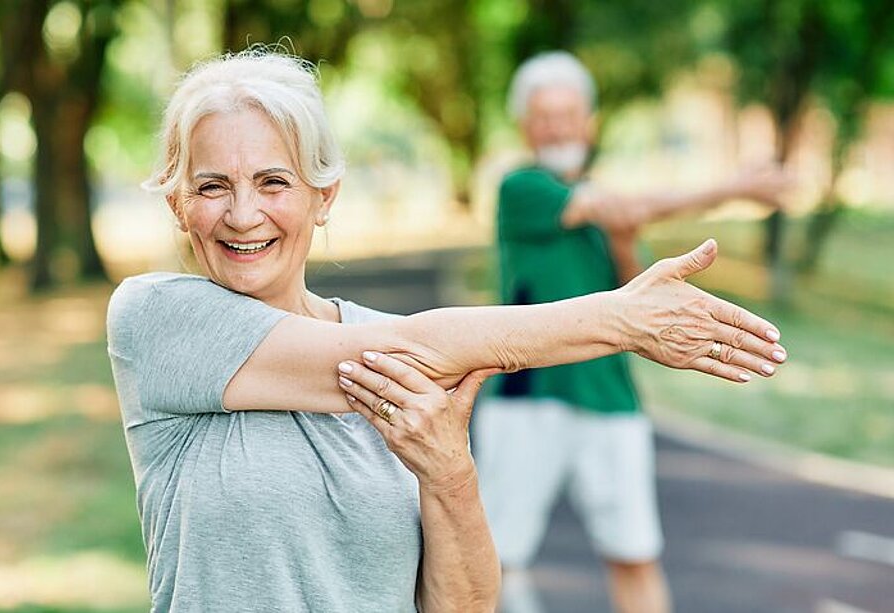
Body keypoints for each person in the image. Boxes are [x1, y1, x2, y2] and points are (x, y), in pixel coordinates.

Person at [105, 48, 787, 613]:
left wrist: (452, 474)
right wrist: (619, 319)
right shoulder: (156, 318)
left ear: (324, 196)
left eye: (274, 181)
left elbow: (462, 608)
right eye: (213, 186)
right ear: (178, 204)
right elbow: (407, 349)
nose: (243, 213)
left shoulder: (404, 352)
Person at [475, 51, 792, 613]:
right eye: (543, 116)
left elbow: (633, 284)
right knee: (497, 557)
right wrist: (731, 188)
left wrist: (625, 234)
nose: (556, 127)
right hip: (529, 397)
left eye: (568, 115)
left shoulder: (610, 207)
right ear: (526, 125)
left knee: (634, 554)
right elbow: (617, 206)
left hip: (611, 399)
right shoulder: (522, 188)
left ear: (589, 123)